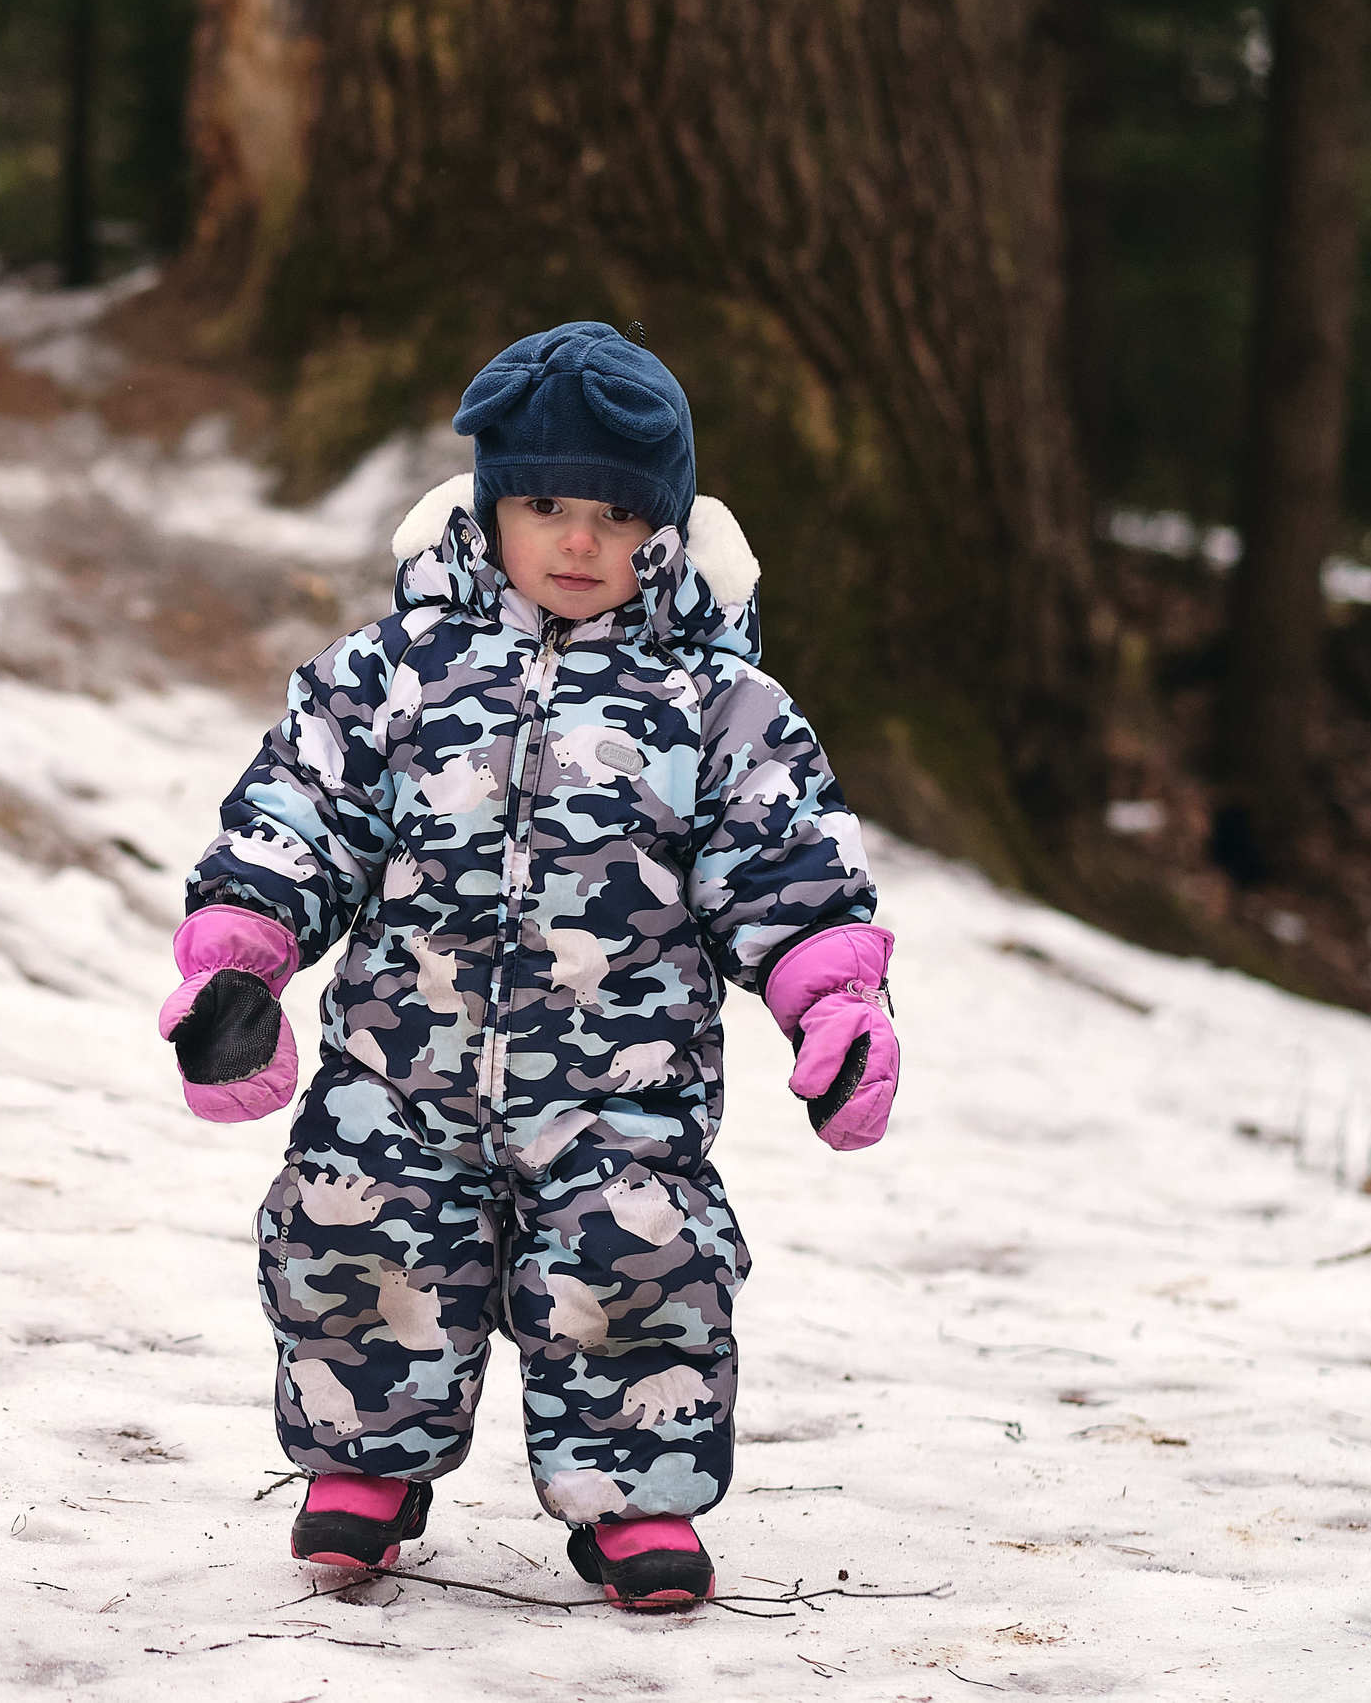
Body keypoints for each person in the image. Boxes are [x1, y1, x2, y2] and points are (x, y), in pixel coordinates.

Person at [158, 321, 901, 1609]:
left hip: (623, 1090)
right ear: (490, 507)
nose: (576, 543)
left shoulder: (719, 707)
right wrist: (242, 963)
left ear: (660, 532)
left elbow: (789, 875)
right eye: (546, 505)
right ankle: (362, 1472)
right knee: (354, 1233)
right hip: (398, 1073)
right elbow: (292, 821)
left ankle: (637, 1503)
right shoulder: (387, 681)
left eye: (613, 517)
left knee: (640, 1267)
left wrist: (831, 1005)